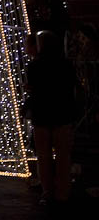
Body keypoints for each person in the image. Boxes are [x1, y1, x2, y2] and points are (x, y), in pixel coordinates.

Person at [26, 29, 76, 206]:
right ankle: (63, 192)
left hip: (42, 115)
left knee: (44, 157)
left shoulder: (34, 66)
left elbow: (32, 90)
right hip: (62, 115)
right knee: (63, 157)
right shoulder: (66, 64)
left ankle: (47, 192)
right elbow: (71, 89)